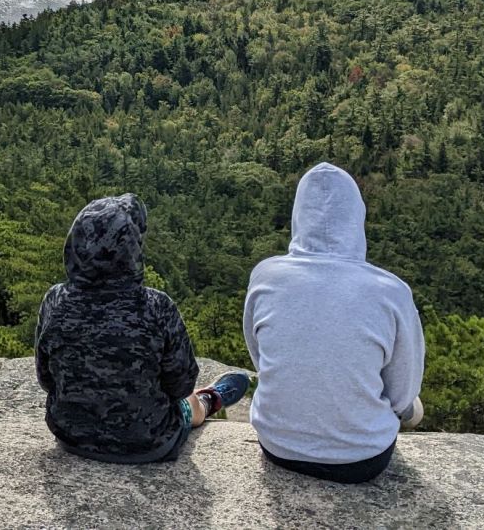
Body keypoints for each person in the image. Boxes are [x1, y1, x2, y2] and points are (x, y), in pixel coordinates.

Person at [243, 162, 424, 484]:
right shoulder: (391, 290)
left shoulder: (265, 275)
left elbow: (259, 355)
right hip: (361, 460)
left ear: (298, 216)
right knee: (413, 406)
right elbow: (401, 390)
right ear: (357, 218)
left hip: (277, 446)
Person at [35, 193, 250, 463]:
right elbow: (181, 385)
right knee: (188, 401)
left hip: (70, 436)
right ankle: (210, 400)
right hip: (148, 442)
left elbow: (46, 379)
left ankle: (209, 398)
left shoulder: (54, 300)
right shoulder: (157, 306)